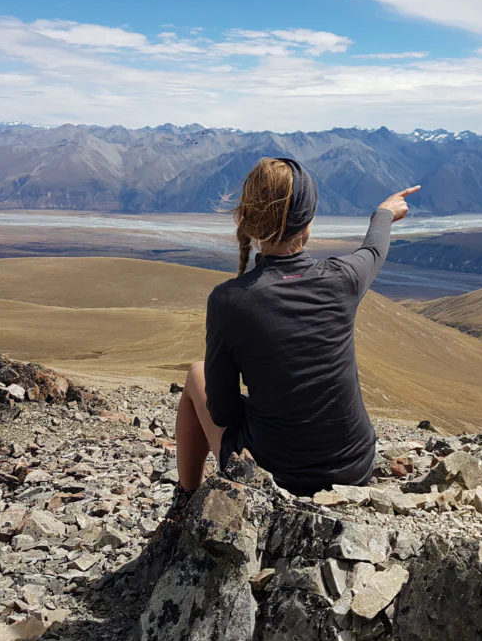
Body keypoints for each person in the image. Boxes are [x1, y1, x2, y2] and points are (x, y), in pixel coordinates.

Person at [169, 156, 419, 515]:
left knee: (197, 373)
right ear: (308, 223)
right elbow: (374, 250)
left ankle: (186, 502)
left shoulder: (229, 301)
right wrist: (384, 212)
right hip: (354, 468)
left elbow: (222, 412)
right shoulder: (343, 279)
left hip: (274, 476)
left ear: (247, 219)